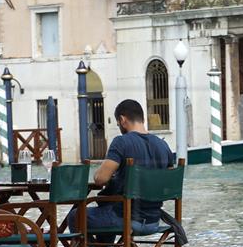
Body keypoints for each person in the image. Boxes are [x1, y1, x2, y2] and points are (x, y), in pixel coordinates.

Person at [70, 99, 174, 236]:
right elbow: (169, 186)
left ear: (122, 119)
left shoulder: (121, 142)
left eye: (118, 123)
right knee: (108, 208)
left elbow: (100, 179)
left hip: (127, 220)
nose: (119, 126)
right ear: (141, 118)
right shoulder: (163, 146)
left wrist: (104, 173)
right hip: (154, 221)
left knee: (75, 216)